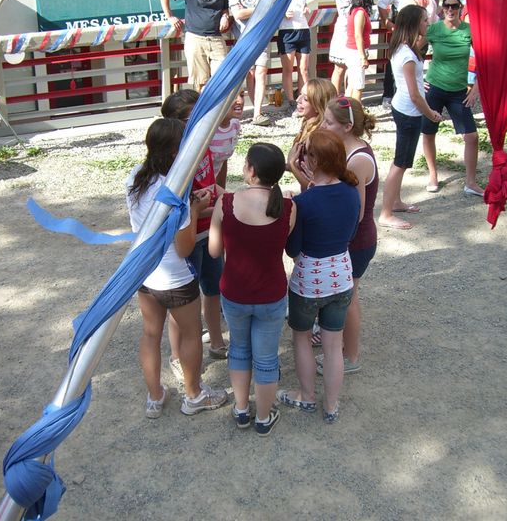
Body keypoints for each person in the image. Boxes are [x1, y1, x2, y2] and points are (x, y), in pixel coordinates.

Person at [126, 117, 228, 417]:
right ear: (175, 152)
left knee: (150, 334)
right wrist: (194, 209)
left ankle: (154, 397)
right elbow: (184, 247)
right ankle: (194, 395)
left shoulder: (135, 177)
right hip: (175, 278)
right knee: (192, 334)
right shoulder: (175, 191)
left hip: (145, 271)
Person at [208, 143, 296, 436]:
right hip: (271, 294)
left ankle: (241, 408)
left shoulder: (227, 203)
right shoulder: (288, 207)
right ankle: (263, 417)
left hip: (235, 293)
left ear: (251, 170)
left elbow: (214, 251)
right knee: (267, 357)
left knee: (239, 349)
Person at [276, 129, 360, 424]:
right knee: (333, 345)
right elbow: (351, 233)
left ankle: (307, 395)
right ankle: (332, 405)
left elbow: (292, 249)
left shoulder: (305, 202)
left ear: (313, 160)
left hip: (309, 281)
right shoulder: (351, 191)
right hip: (342, 275)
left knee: (301, 338)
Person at [159, 90, 229, 376]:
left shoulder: (205, 146)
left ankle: (216, 341)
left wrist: (232, 198)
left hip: (209, 231)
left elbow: (212, 187)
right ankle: (177, 356)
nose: (204, 121)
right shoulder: (176, 162)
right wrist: (215, 208)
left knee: (214, 288)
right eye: (194, 117)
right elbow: (182, 209)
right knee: (184, 301)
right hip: (188, 236)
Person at [318, 97, 378, 375]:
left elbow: (356, 212)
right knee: (345, 296)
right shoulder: (347, 149)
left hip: (357, 241)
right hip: (352, 239)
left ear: (347, 126)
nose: (322, 126)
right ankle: (340, 346)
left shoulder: (357, 160)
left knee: (349, 298)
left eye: (328, 122)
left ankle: (351, 357)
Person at [378, 5, 442, 230]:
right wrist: (430, 113)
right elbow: (414, 96)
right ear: (414, 23)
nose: (427, 23)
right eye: (424, 20)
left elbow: (412, 84)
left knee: (402, 162)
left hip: (404, 108)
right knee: (400, 163)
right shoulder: (407, 54)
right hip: (408, 112)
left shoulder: (404, 47)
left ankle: (395, 202)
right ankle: (386, 214)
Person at [421, 0, 483, 196]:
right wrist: (418, 81)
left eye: (454, 6)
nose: (450, 9)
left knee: (472, 136)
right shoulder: (434, 29)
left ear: (460, 8)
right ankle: (433, 175)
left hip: (458, 91)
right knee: (429, 132)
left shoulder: (469, 31)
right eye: (447, 5)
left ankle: (470, 182)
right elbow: (411, 50)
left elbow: (485, 60)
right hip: (435, 87)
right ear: (442, 8)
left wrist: (476, 88)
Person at [159, 0, 231, 91]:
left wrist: (225, 16)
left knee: (222, 77)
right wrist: (170, 16)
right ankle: (204, 103)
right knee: (201, 80)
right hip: (195, 37)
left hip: (216, 37)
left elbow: (224, 8)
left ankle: (218, 103)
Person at [378, 0, 439, 109]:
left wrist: (391, 25)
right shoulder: (429, 1)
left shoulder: (411, 2)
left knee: (401, 65)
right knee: (412, 65)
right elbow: (433, 16)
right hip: (418, 35)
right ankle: (407, 95)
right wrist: (389, 23)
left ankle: (402, 96)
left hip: (407, 34)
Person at [229, 0, 271, 126]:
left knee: (261, 73)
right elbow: (238, 14)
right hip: (243, 38)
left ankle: (257, 113)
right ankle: (255, 108)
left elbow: (270, 9)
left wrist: (249, 10)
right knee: (250, 74)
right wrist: (259, 8)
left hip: (261, 37)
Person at [286, 78, 337, 192]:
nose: (297, 100)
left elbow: (316, 186)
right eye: (299, 94)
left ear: (318, 105)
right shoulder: (307, 123)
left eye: (305, 99)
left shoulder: (318, 137)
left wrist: (292, 165)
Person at [328, 0, 369, 95]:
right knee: (339, 68)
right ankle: (334, 97)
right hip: (344, 31)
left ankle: (348, 97)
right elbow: (345, 13)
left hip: (355, 31)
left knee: (353, 69)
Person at [278, 0, 311, 114]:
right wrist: (283, 13)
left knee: (304, 69)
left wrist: (306, 9)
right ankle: (291, 101)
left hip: (303, 28)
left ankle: (304, 99)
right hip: (287, 30)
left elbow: (304, 3)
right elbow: (274, 8)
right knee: (288, 69)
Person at [344, 0, 374, 102]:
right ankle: (356, 109)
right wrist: (363, 57)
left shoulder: (353, 10)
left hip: (352, 51)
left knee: (352, 84)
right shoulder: (360, 12)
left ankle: (347, 109)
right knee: (358, 86)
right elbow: (358, 35)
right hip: (356, 52)